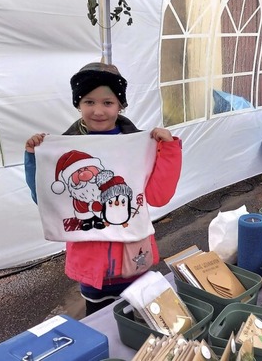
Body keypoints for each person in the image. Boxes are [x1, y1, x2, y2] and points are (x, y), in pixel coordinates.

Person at [24, 62, 182, 315]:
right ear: (78, 104)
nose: (98, 111)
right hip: (91, 266)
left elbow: (158, 195)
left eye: (107, 103)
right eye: (89, 102)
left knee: (140, 317)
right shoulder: (62, 148)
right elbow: (44, 199)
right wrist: (35, 157)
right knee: (99, 320)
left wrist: (169, 149)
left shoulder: (142, 145)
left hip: (133, 258)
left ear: (120, 105)